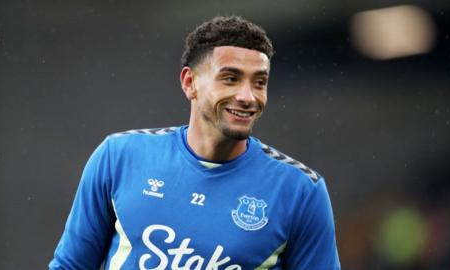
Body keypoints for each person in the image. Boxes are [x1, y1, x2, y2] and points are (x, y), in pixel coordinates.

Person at [49, 16, 340, 269]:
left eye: (259, 82)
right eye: (230, 78)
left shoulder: (301, 191)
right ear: (189, 83)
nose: (248, 96)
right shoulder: (119, 157)